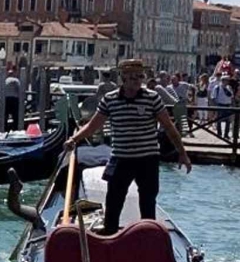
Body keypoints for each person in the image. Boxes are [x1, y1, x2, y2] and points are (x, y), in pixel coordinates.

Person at [65, 59, 192, 233]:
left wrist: (182, 153)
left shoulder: (152, 98)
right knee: (114, 199)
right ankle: (110, 233)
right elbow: (93, 125)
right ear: (123, 77)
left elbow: (169, 126)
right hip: (121, 157)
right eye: (133, 76)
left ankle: (148, 236)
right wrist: (74, 139)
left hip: (147, 158)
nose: (137, 80)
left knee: (148, 200)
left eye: (140, 76)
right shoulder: (109, 100)